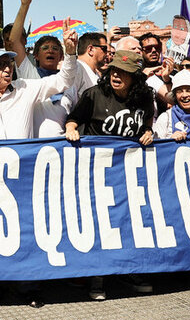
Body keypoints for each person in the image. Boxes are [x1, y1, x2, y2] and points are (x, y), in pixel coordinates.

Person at [64, 50, 155, 300]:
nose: (116, 75)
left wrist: (148, 132)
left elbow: (147, 123)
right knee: (102, 222)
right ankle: (97, 277)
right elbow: (73, 119)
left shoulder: (145, 97)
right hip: (98, 172)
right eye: (113, 70)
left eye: (124, 72)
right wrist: (71, 129)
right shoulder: (94, 94)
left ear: (136, 78)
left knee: (131, 221)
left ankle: (133, 272)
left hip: (130, 172)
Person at [0, 28, 78, 140]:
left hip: (24, 158)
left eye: (9, 63)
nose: (7, 69)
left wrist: (70, 52)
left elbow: (65, 79)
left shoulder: (25, 88)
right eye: (1, 64)